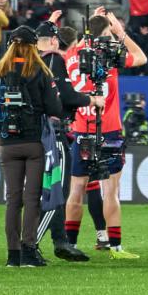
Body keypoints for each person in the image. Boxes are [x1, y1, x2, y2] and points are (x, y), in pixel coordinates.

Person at [64, 7, 147, 258]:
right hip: (109, 130)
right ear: (108, 31)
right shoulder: (110, 55)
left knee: (76, 189)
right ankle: (116, 247)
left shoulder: (71, 55)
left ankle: (70, 245)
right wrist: (121, 32)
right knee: (110, 190)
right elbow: (140, 57)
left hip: (81, 130)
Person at [0, 25, 50, 267]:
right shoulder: (39, 70)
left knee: (12, 200)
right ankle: (29, 251)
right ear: (33, 46)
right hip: (33, 142)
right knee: (32, 198)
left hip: (7, 143)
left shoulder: (0, 71)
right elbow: (54, 107)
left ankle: (12, 255)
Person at [36, 19, 92, 262]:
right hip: (53, 132)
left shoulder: (34, 60)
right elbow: (65, 96)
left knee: (46, 191)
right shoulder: (55, 59)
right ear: (55, 41)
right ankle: (30, 244)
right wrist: (91, 100)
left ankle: (61, 241)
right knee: (57, 191)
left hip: (36, 132)